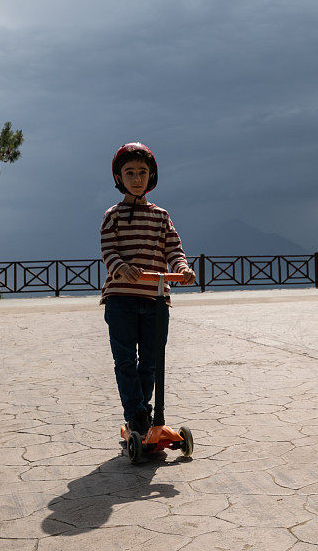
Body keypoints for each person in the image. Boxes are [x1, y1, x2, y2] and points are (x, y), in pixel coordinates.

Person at [99, 141, 196, 434]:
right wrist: (121, 268)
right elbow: (109, 251)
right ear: (119, 178)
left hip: (156, 299)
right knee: (126, 359)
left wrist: (181, 268)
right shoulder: (112, 215)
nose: (137, 178)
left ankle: (143, 412)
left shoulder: (161, 216)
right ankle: (137, 414)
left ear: (151, 176)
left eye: (143, 172)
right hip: (121, 299)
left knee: (151, 361)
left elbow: (174, 250)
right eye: (130, 172)